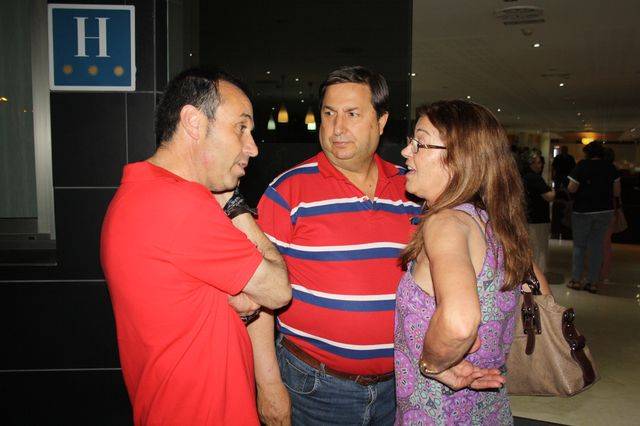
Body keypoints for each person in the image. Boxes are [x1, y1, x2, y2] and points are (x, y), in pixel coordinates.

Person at [100, 68, 291, 425]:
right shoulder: (180, 204)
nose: (252, 147)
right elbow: (278, 291)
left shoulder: (138, 192)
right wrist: (234, 204)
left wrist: (241, 301)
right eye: (241, 127)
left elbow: (202, 301)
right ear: (193, 122)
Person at [252, 66, 422, 425]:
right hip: (314, 388)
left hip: (399, 386)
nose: (337, 128)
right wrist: (268, 385)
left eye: (352, 114)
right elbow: (257, 297)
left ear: (381, 121)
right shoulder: (287, 191)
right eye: (329, 114)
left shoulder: (414, 190)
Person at [395, 100, 542, 424]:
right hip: (489, 410)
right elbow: (541, 294)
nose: (406, 152)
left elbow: (460, 321)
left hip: (437, 414)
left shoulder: (446, 223)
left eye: (419, 143)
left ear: (459, 157)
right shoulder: (497, 224)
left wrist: (434, 365)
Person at [566, 141, 621, 293]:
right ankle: (592, 282)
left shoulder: (582, 166)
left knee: (579, 246)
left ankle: (576, 280)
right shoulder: (610, 167)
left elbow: (572, 188)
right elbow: (617, 192)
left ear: (587, 153)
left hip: (582, 210)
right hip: (604, 211)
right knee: (597, 246)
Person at [521, 150, 555, 274]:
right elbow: (549, 196)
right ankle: (538, 278)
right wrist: (553, 191)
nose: (541, 165)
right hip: (538, 219)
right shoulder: (535, 178)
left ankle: (530, 276)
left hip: (527, 217)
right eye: (538, 162)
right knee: (539, 250)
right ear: (531, 164)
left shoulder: (522, 176)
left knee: (530, 249)